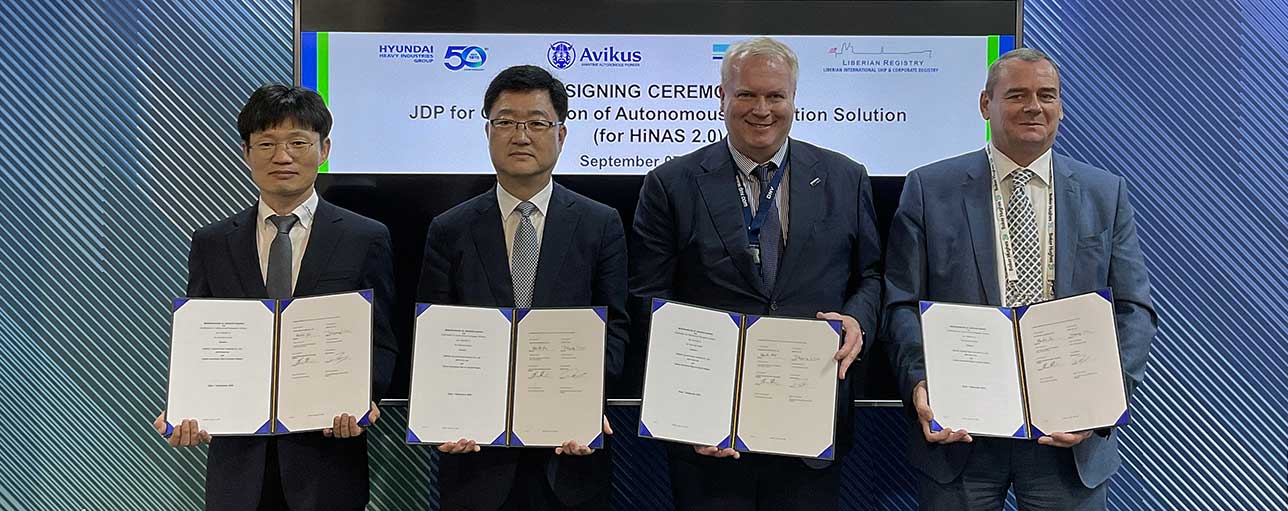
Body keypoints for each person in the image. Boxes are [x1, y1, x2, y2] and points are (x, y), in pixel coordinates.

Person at [882, 48, 1157, 510]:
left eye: (1047, 95)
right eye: (1017, 95)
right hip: (961, 434)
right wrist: (919, 383)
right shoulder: (930, 188)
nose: (1034, 106)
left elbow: (1135, 310)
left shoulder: (1104, 192)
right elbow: (901, 302)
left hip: (1067, 436)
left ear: (1061, 107)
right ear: (985, 104)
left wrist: (1102, 401)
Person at [629, 37, 882, 510]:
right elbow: (648, 296)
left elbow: (870, 277)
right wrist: (688, 410)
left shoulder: (846, 177)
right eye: (746, 94)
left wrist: (858, 321)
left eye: (775, 96)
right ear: (721, 96)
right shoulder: (671, 184)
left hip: (811, 424)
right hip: (709, 435)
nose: (761, 109)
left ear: (793, 99)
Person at [152, 84, 398, 510]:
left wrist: (364, 397)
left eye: (298, 142)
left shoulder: (365, 238)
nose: (282, 157)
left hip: (328, 455)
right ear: (245, 153)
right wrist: (186, 407)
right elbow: (201, 343)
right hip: (238, 465)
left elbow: (383, 339)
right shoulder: (212, 242)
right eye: (266, 143)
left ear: (324, 149)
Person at [417, 64, 627, 511]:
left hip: (570, 459)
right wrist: (444, 414)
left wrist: (583, 405)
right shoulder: (449, 229)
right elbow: (434, 338)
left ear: (562, 134)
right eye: (506, 122)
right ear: (487, 130)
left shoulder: (600, 224)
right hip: (475, 461)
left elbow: (616, 332)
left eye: (536, 122)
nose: (521, 135)